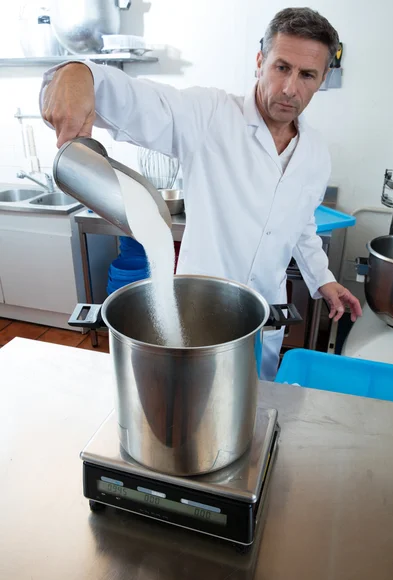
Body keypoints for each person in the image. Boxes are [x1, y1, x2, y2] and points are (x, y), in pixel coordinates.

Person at [40, 7, 362, 380]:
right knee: (193, 414)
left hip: (266, 319)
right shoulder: (209, 115)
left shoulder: (315, 152)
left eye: (307, 75)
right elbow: (141, 102)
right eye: (281, 67)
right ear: (260, 61)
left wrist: (323, 278)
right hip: (198, 317)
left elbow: (302, 221)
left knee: (253, 410)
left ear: (323, 79)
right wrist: (82, 73)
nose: (291, 88)